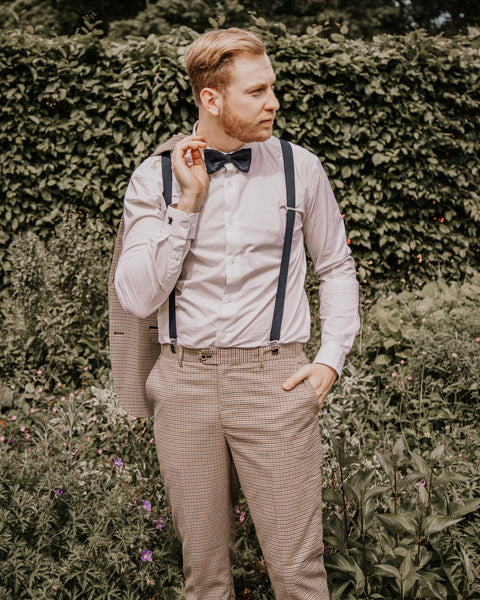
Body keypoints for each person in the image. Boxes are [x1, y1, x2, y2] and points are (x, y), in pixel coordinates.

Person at [114, 27, 359, 600]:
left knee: (299, 576)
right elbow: (138, 297)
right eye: (258, 91)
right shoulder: (155, 177)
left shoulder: (303, 169)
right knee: (204, 579)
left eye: (271, 87)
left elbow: (337, 267)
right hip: (184, 384)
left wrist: (329, 360)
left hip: (274, 381)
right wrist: (188, 203)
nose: (274, 102)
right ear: (211, 99)